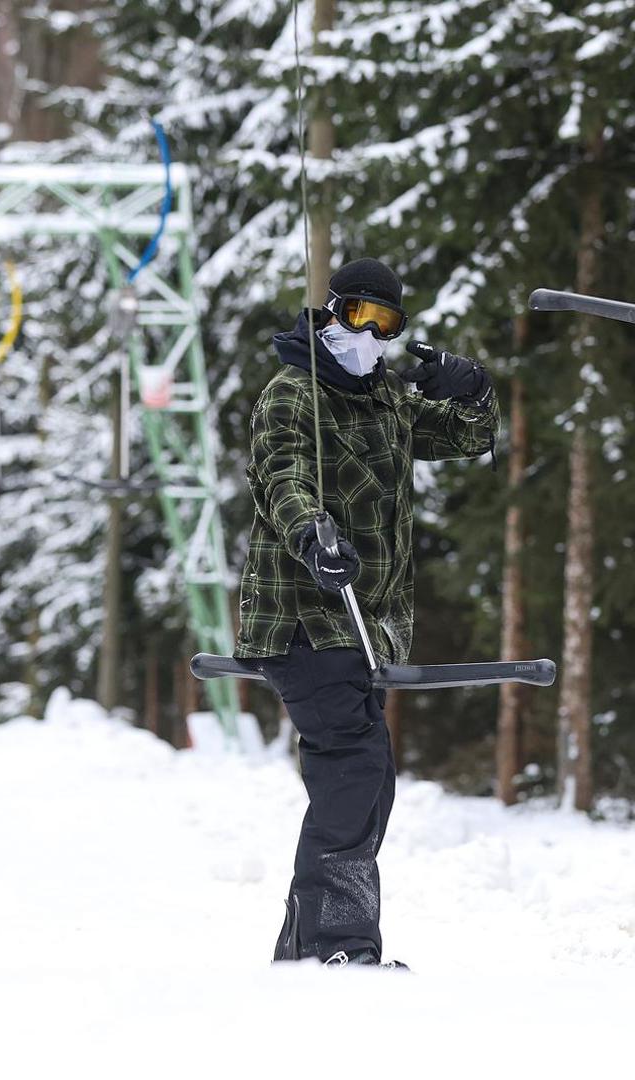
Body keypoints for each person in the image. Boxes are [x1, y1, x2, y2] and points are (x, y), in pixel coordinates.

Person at [234, 257, 500, 968]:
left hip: (362, 626)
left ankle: (304, 945)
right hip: (303, 617)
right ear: (330, 312)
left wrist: (474, 388)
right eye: (359, 316)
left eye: (387, 324)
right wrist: (311, 538)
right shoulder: (291, 395)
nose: (370, 337)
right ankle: (336, 946)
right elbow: (282, 477)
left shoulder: (388, 402)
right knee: (354, 769)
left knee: (367, 778)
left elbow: (472, 437)